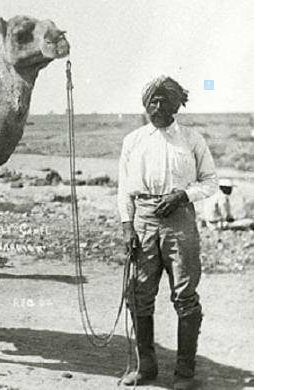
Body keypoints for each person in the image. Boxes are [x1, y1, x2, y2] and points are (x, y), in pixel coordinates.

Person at [117, 76, 218, 389]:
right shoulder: (133, 141)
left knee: (186, 297)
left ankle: (185, 375)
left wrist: (182, 196)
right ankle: (145, 368)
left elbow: (210, 181)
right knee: (138, 294)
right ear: (145, 104)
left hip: (180, 221)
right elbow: (124, 189)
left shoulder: (192, 139)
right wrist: (126, 226)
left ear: (177, 104)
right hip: (143, 220)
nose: (157, 107)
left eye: (164, 101)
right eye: (152, 101)